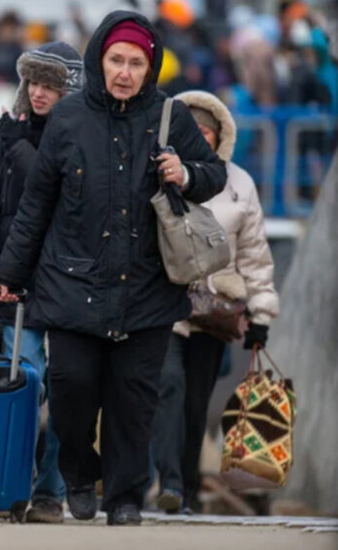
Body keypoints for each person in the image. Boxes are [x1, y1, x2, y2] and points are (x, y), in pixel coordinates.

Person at [0, 11, 227, 526]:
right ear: (101, 60)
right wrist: (9, 275)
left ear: (151, 67)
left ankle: (123, 496)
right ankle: (79, 472)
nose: (124, 71)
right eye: (116, 60)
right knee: (71, 387)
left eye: (136, 63)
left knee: (133, 400)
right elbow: (36, 205)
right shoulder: (69, 118)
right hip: (71, 280)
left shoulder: (170, 117)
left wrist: (184, 173)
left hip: (147, 287)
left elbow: (215, 175)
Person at [0, 40, 85, 524]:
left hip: (69, 286)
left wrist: (18, 148)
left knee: (65, 394)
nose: (38, 92)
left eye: (50, 84)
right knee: (22, 387)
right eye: (33, 81)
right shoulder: (10, 137)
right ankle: (13, 488)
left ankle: (50, 492)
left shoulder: (76, 140)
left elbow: (61, 195)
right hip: (15, 285)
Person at [152, 90, 279, 515]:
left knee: (195, 402)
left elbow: (255, 254)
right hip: (166, 303)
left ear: (220, 134)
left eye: (208, 130)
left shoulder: (239, 183)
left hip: (216, 311)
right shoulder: (157, 172)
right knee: (167, 386)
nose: (201, 137)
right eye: (193, 129)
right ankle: (168, 481)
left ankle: (186, 487)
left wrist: (261, 314)